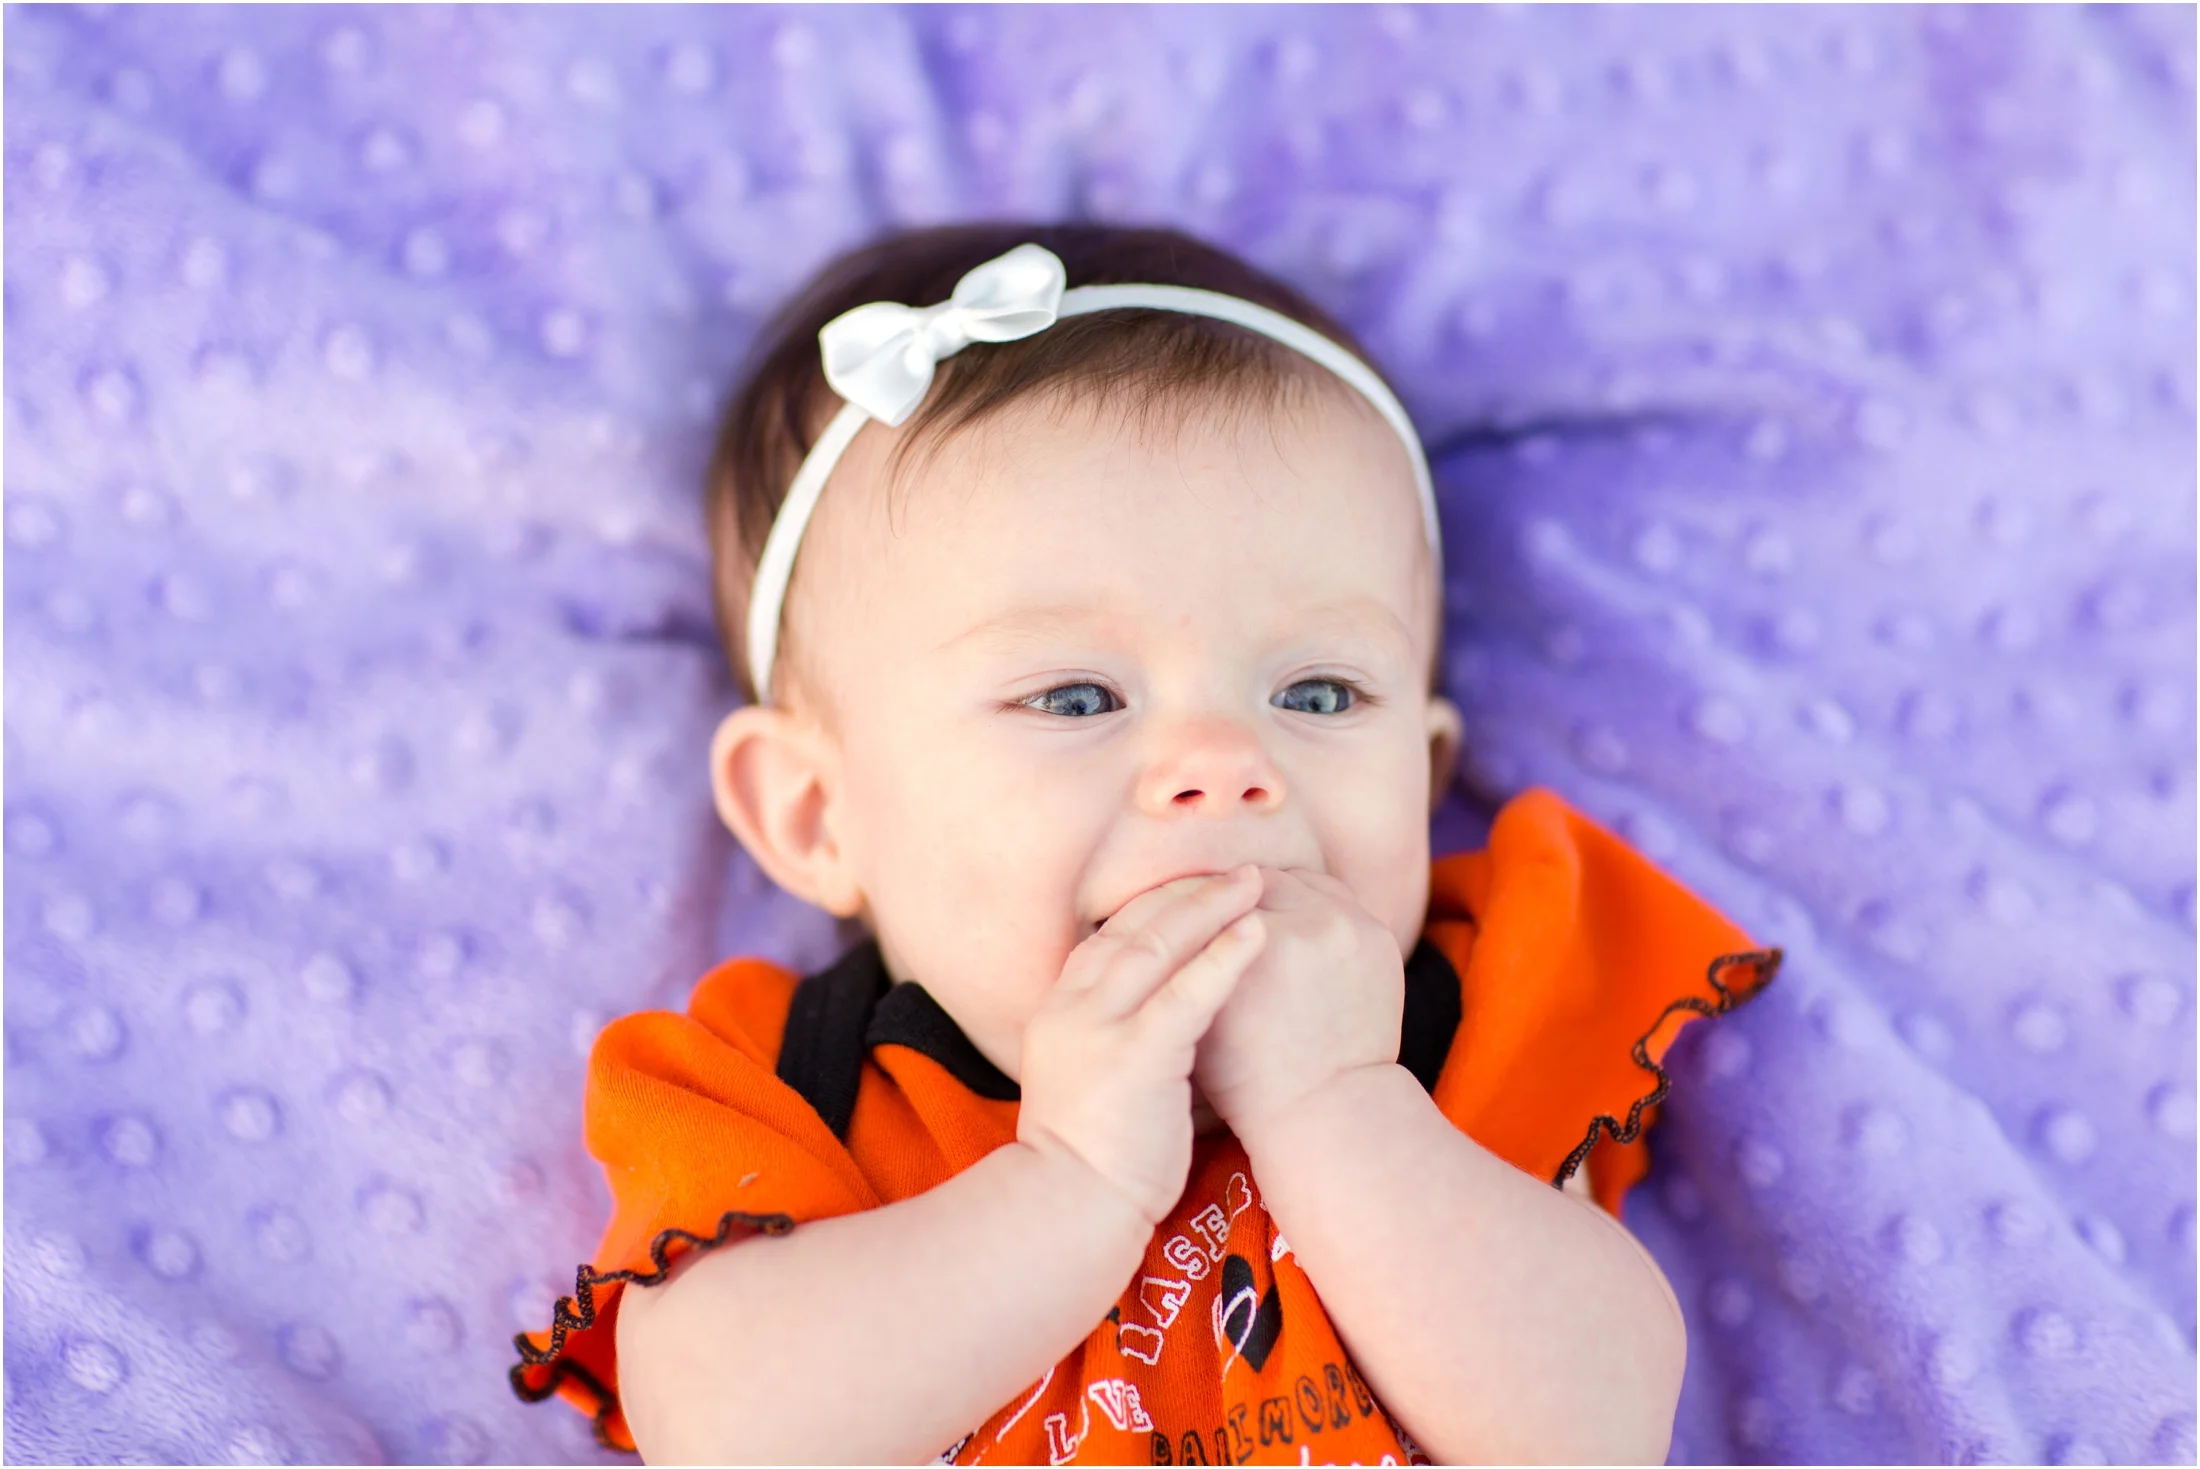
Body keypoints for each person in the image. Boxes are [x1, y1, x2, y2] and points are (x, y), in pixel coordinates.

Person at [510, 223, 1780, 1465]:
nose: (1228, 764)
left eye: (1321, 693)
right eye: (1075, 698)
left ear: (1426, 771)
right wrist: (1068, 1184)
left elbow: (1590, 1425)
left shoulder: (1461, 1019)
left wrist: (1335, 1105)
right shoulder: (791, 1089)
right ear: (815, 814)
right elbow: (729, 1428)